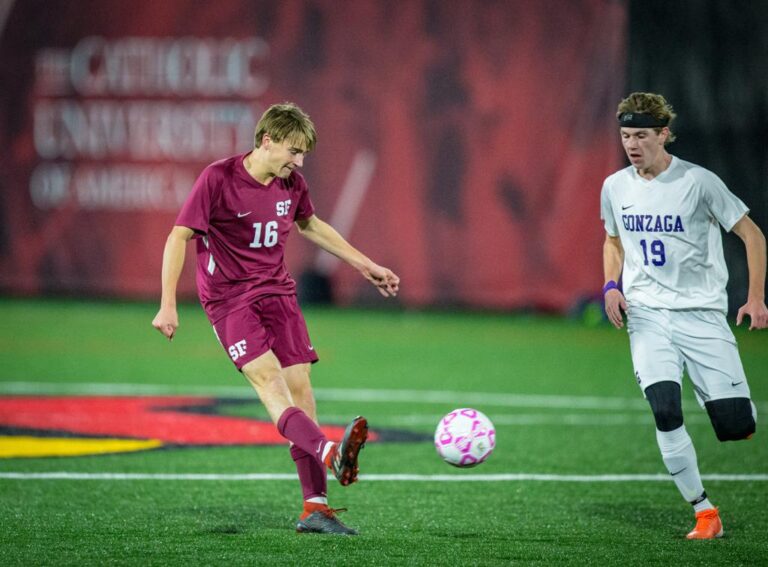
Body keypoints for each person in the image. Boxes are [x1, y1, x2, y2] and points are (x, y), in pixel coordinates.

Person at [152, 102, 400, 535]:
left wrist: (366, 265)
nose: (298, 162)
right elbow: (179, 236)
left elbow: (313, 226)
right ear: (267, 141)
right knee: (270, 383)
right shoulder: (219, 178)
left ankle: (315, 509)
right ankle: (329, 454)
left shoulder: (292, 183)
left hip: (279, 294)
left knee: (303, 394)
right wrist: (168, 303)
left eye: (303, 154)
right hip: (230, 301)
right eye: (293, 151)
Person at [600, 92, 767, 540]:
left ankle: (717, 395)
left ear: (664, 135)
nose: (632, 144)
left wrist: (755, 299)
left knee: (737, 427)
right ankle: (704, 512)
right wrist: (611, 286)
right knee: (664, 409)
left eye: (641, 135)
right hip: (648, 315)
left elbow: (752, 235)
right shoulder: (615, 186)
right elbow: (613, 240)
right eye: (625, 135)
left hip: (701, 316)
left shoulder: (699, 182)